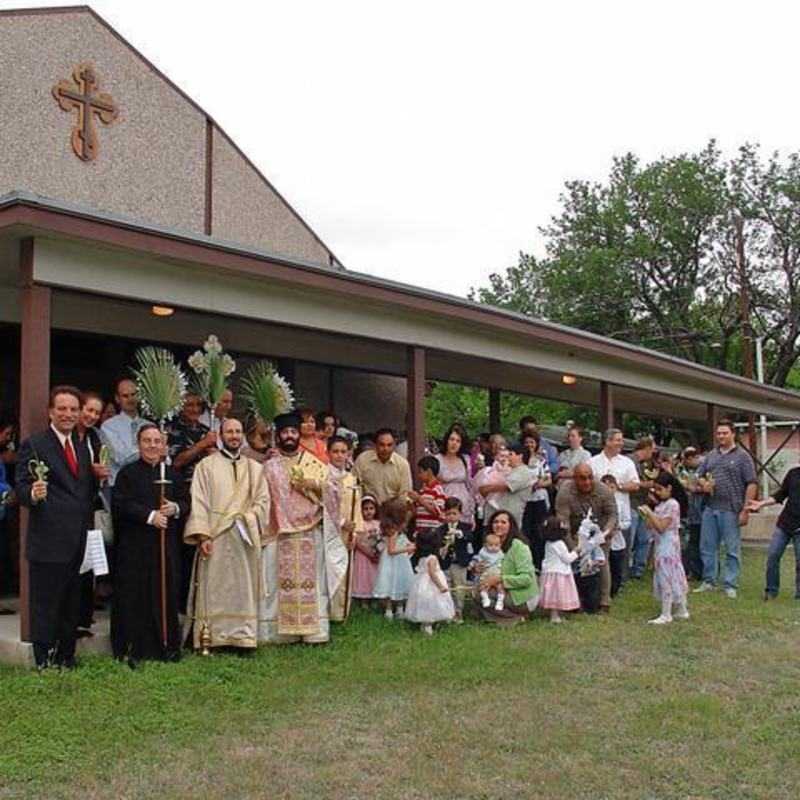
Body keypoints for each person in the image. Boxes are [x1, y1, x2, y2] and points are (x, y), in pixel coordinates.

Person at [16, 386, 96, 670]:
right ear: (51, 411)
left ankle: (66, 655)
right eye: (62, 409)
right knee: (46, 605)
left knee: (70, 602)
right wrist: (33, 494)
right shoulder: (35, 444)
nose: (68, 414)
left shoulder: (81, 445)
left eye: (74, 409)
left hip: (77, 539)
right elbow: (22, 487)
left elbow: (83, 491)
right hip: (48, 541)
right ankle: (44, 661)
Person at [259, 412, 347, 644]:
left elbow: (336, 492)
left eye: (293, 432)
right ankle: (280, 634)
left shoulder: (314, 464)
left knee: (312, 584)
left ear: (299, 434)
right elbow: (262, 499)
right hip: (281, 533)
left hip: (309, 531)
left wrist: (314, 485)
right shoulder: (269, 467)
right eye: (285, 432)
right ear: (278, 436)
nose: (289, 436)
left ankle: (312, 631)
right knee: (278, 584)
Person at [184, 418, 269, 652]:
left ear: (243, 436)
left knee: (243, 588)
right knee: (215, 587)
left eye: (238, 432)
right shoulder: (206, 466)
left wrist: (248, 518)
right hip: (216, 534)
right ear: (221, 435)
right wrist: (203, 536)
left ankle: (243, 637)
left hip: (244, 535)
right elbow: (198, 502)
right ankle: (213, 637)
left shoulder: (255, 469)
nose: (234, 436)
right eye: (229, 431)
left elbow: (263, 501)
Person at [110, 424, 189, 666]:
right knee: (136, 595)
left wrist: (175, 508)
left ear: (164, 445)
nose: (152, 445)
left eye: (157, 441)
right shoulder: (127, 474)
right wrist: (150, 515)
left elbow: (187, 501)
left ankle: (166, 645)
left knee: (165, 592)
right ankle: (134, 647)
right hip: (135, 547)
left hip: (166, 547)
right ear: (139, 443)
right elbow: (121, 504)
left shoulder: (173, 474)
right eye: (147, 441)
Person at [694, 420, 757, 598]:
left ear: (733, 434)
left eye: (725, 433)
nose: (721, 436)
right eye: (719, 433)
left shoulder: (742, 456)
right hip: (710, 507)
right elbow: (698, 474)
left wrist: (746, 509)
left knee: (731, 549)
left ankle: (730, 584)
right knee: (707, 547)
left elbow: (752, 483)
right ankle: (709, 581)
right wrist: (703, 484)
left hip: (731, 509)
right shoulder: (711, 455)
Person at [166, 392, 216, 611]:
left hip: (206, 494)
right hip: (183, 494)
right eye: (189, 405)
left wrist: (212, 453)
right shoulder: (171, 429)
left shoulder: (207, 430)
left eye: (198, 405)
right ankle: (179, 603)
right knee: (182, 549)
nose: (194, 409)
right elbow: (176, 462)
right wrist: (202, 445)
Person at [555, 462, 617, 613]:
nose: (587, 482)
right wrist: (573, 548)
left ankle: (604, 602)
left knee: (602, 562)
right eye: (582, 478)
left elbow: (612, 515)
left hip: (600, 531)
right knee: (574, 564)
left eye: (590, 477)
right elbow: (563, 521)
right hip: (576, 532)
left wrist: (605, 533)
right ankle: (574, 601)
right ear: (574, 479)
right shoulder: (565, 492)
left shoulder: (604, 491)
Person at [75, 390, 111, 637]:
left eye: (96, 413)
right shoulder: (66, 438)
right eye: (88, 410)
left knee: (88, 563)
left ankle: (83, 618)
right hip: (69, 510)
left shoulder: (94, 437)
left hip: (90, 506)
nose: (91, 416)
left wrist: (101, 474)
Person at [638, 473, 690, 624]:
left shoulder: (673, 504)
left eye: (660, 489)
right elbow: (651, 525)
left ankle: (666, 613)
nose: (657, 493)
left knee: (667, 577)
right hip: (660, 544)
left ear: (669, 488)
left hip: (668, 545)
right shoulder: (661, 505)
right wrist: (648, 513)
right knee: (668, 575)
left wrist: (650, 512)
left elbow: (661, 527)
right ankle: (681, 609)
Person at [472, 510, 539, 624]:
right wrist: (477, 569)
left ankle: (513, 617)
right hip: (503, 590)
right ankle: (509, 617)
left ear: (511, 526)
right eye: (495, 522)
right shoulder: (489, 546)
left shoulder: (519, 547)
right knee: (479, 590)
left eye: (503, 522)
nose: (499, 525)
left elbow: (526, 579)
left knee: (479, 593)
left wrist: (500, 579)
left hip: (522, 596)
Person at [590, 429, 639, 579]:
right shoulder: (593, 462)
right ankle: (599, 578)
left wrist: (619, 486)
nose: (621, 443)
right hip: (599, 511)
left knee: (620, 547)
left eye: (621, 440)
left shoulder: (626, 462)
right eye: (618, 440)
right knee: (599, 546)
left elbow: (636, 484)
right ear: (607, 441)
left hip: (620, 509)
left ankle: (619, 578)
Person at [747, 463, 800, 601]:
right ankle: (771, 591)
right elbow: (781, 494)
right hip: (785, 524)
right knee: (773, 556)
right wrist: (761, 504)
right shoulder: (793, 473)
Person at [405, 522, 455, 635]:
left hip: (421, 582)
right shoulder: (432, 558)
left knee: (424, 602)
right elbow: (432, 573)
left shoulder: (421, 556)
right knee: (433, 602)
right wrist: (441, 586)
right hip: (431, 584)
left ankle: (426, 623)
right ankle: (428, 624)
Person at [100, 378, 149, 491]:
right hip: (120, 486)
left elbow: (166, 460)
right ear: (117, 399)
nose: (130, 399)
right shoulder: (108, 426)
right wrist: (151, 451)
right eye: (125, 396)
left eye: (133, 394)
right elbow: (121, 457)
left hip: (147, 484)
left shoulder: (149, 425)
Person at [372, 497, 415, 619]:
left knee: (399, 581)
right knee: (392, 582)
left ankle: (399, 609)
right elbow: (391, 550)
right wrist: (407, 549)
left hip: (399, 561)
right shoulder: (394, 532)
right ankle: (390, 609)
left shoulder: (395, 530)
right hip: (394, 560)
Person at [435, 496, 474, 621]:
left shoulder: (465, 527)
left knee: (459, 588)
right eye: (448, 514)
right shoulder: (440, 530)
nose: (451, 516)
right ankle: (447, 611)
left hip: (460, 563)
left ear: (460, 514)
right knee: (447, 586)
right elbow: (437, 543)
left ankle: (459, 611)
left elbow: (470, 537)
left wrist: (459, 534)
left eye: (454, 513)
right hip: (445, 563)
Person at [476, 442, 532, 530]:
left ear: (520, 456)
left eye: (510, 454)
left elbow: (505, 486)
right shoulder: (511, 470)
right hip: (494, 517)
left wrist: (485, 488)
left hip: (509, 520)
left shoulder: (524, 472)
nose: (507, 457)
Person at [353, 428, 413, 505]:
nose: (385, 449)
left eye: (389, 445)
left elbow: (405, 494)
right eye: (382, 445)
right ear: (375, 445)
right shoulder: (363, 460)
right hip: (367, 509)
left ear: (394, 446)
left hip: (393, 511)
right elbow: (353, 486)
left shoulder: (402, 464)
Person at [538, 516, 580, 623]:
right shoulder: (560, 544)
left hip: (549, 572)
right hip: (559, 573)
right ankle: (555, 616)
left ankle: (555, 613)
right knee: (558, 594)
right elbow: (567, 559)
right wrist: (576, 552)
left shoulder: (548, 543)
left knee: (552, 594)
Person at [628, 436, 660, 579]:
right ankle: (626, 568)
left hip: (643, 505)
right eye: (652, 450)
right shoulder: (630, 461)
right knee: (630, 538)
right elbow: (630, 482)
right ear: (646, 449)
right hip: (631, 504)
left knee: (645, 538)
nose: (653, 453)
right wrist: (645, 485)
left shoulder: (645, 465)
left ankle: (638, 569)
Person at [521, 431, 552, 571]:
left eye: (532, 442)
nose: (529, 445)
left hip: (539, 500)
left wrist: (538, 484)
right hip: (524, 500)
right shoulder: (520, 460)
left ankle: (539, 562)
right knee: (525, 531)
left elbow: (548, 479)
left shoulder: (541, 460)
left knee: (539, 531)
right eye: (526, 442)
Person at [435, 424, 474, 528]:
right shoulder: (437, 459)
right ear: (446, 440)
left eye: (458, 441)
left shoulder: (465, 459)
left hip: (464, 506)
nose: (454, 443)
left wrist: (472, 511)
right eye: (452, 439)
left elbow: (470, 485)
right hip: (445, 505)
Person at [676, 447, 705, 580]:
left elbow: (701, 487)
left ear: (691, 458)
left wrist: (691, 487)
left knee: (697, 544)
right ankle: (693, 571)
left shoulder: (704, 468)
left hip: (701, 512)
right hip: (693, 513)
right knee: (692, 543)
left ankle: (699, 572)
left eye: (685, 460)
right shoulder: (689, 471)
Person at [600, 474, 628, 598]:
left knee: (616, 566)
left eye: (611, 487)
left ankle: (614, 589)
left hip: (617, 540)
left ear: (615, 488)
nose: (609, 490)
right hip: (601, 541)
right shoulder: (597, 502)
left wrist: (618, 526)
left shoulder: (621, 503)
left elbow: (627, 521)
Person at [351, 495, 381, 604]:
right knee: (364, 575)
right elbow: (358, 540)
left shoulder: (378, 524)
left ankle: (374, 597)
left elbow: (381, 539)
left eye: (371, 508)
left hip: (375, 554)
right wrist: (367, 551)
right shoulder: (360, 524)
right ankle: (363, 599)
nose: (369, 512)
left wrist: (377, 551)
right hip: (363, 555)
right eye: (365, 509)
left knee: (374, 575)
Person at [408, 456, 447, 538]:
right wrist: (411, 503)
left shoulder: (438, 490)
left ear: (429, 471)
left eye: (421, 472)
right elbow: (417, 512)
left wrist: (419, 499)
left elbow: (438, 512)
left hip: (433, 533)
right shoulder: (422, 491)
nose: (419, 475)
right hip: (421, 532)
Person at [471, 532, 506, 610]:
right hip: (487, 573)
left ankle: (500, 601)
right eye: (490, 545)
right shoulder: (483, 553)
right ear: (485, 545)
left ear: (500, 545)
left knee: (500, 587)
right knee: (484, 587)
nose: (493, 547)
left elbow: (503, 562)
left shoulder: (501, 554)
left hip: (497, 573)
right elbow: (478, 561)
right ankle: (485, 598)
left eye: (496, 545)